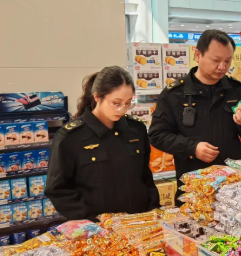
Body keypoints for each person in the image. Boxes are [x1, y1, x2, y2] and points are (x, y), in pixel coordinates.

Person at [149, 30, 241, 189]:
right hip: (193, 187)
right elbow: (157, 135)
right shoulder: (174, 94)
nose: (222, 67)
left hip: (232, 185)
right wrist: (192, 147)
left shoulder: (236, 90)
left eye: (227, 61)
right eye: (216, 60)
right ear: (198, 55)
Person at [46, 66, 159, 221]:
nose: (122, 110)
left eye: (128, 103)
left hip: (139, 222)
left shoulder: (136, 129)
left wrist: (153, 208)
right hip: (97, 228)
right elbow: (58, 190)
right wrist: (91, 220)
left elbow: (145, 176)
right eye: (116, 103)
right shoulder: (71, 137)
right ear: (97, 97)